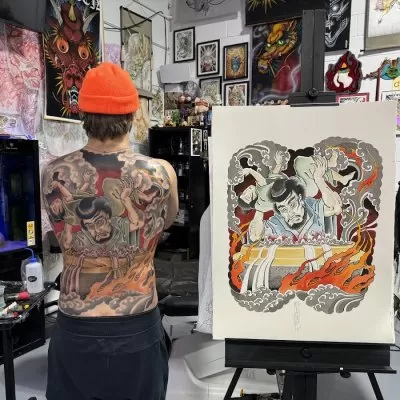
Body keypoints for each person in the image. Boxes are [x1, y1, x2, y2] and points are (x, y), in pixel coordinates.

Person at [41, 62, 178, 400]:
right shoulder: (161, 173)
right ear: (132, 114)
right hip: (136, 324)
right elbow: (166, 222)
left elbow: (61, 226)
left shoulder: (52, 172)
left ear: (82, 113)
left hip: (75, 325)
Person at [248, 157, 342, 243]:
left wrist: (319, 179)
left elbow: (335, 207)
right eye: (283, 209)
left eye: (292, 205)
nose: (290, 213)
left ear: (300, 199)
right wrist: (260, 205)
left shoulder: (314, 207)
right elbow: (254, 236)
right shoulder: (276, 223)